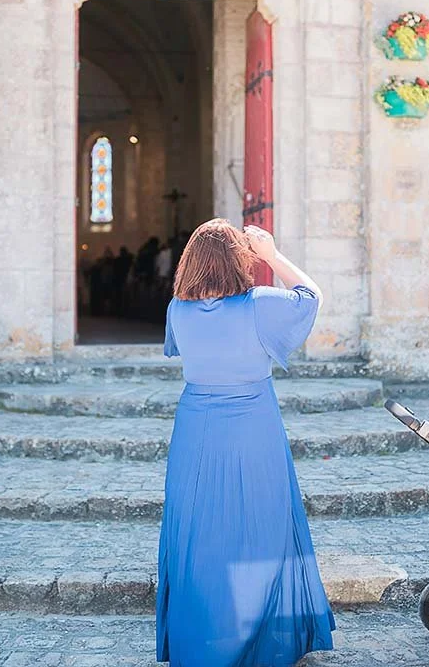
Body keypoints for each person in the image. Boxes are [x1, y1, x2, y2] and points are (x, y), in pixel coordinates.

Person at [156, 219, 336, 667]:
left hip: (195, 432)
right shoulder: (260, 305)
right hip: (253, 428)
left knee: (197, 535)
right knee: (262, 527)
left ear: (190, 262)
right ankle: (260, 638)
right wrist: (272, 256)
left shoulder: (177, 309)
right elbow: (312, 296)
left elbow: (183, 349)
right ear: (239, 261)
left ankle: (202, 643)